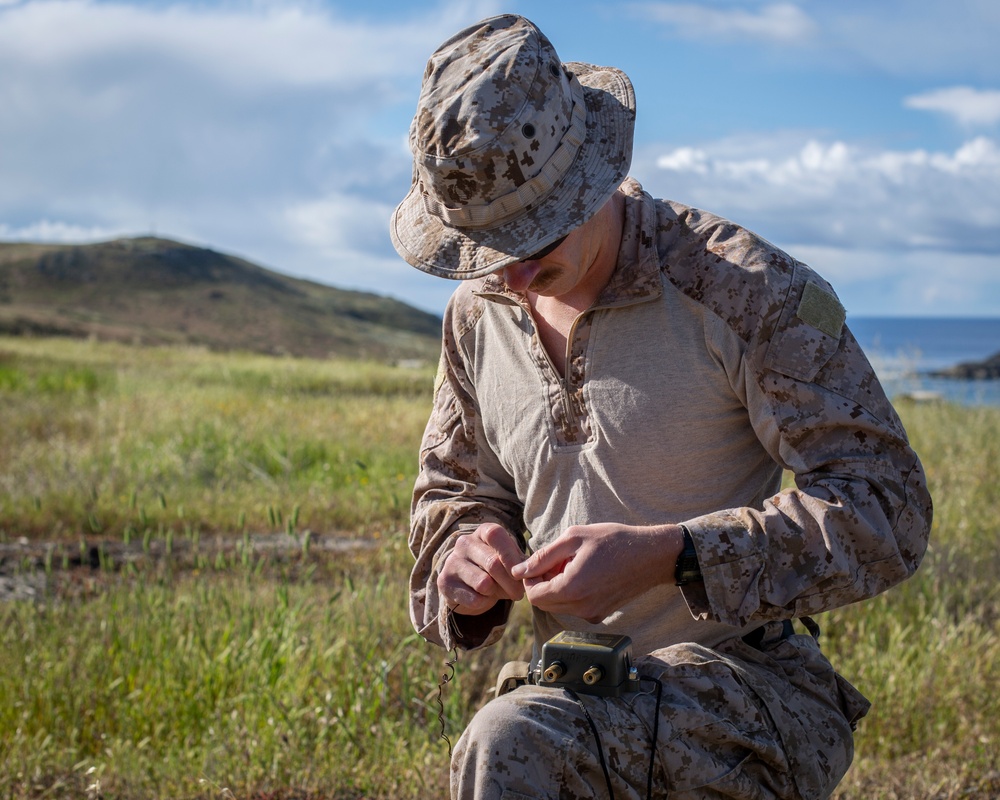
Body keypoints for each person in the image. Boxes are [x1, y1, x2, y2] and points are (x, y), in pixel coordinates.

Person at [389, 14, 932, 800]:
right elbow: (454, 490)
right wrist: (465, 552)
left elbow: (887, 505)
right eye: (481, 251)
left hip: (748, 691)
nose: (505, 277)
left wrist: (672, 554)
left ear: (593, 176)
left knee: (509, 744)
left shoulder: (739, 289)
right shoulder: (477, 315)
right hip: (571, 686)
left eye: (529, 243)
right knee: (522, 736)